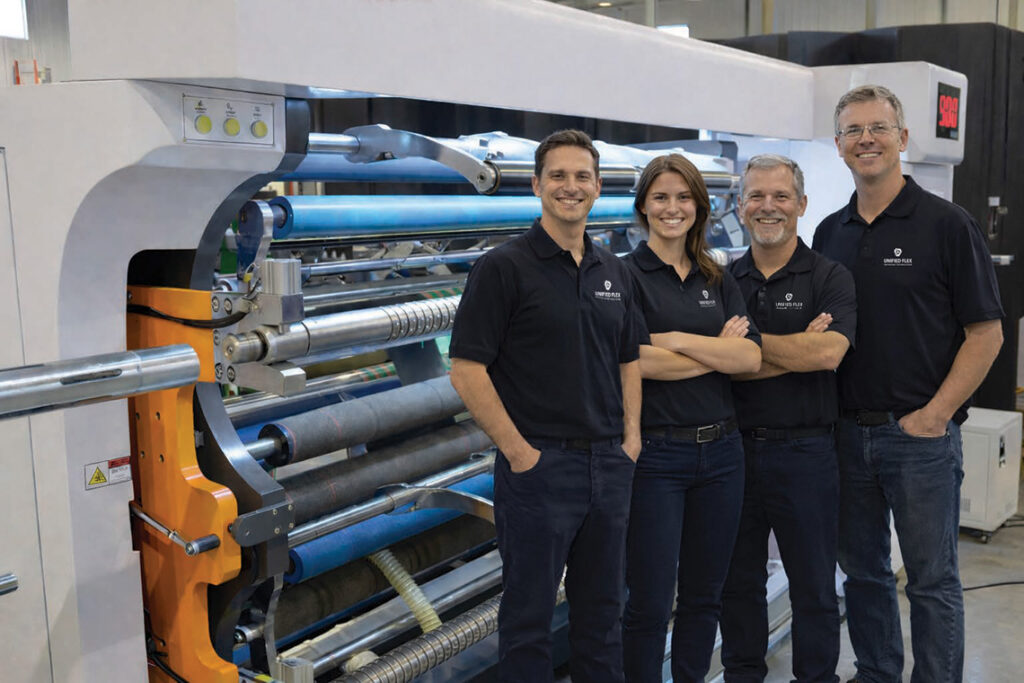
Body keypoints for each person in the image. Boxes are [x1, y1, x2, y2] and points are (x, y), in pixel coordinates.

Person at [813, 85, 1004, 683]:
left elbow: (986, 333)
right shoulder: (829, 232)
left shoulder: (946, 225)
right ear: (839, 145)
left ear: (902, 138)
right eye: (852, 130)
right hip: (845, 434)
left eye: (878, 127)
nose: (865, 139)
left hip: (918, 437)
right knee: (863, 574)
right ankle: (877, 673)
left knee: (931, 578)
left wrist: (935, 415)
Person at [448, 129, 642, 683]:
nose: (570, 186)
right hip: (540, 471)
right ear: (536, 185)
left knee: (604, 616)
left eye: (582, 176)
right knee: (529, 621)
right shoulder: (503, 268)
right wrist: (519, 452)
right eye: (557, 175)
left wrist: (631, 438)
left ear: (598, 187)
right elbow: (466, 369)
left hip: (609, 464)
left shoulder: (614, 270)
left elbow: (629, 358)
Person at [620, 153, 761, 683]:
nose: (672, 208)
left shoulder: (715, 276)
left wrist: (675, 341)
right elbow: (630, 361)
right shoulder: (624, 276)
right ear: (643, 207)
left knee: (705, 596)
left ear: (700, 207)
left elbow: (748, 358)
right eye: (661, 197)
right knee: (651, 602)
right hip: (657, 457)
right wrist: (711, 351)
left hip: (724, 455)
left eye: (684, 198)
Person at [720, 153, 856, 683]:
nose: (768, 206)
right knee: (738, 583)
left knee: (815, 585)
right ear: (740, 205)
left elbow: (828, 356)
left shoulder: (829, 276)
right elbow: (715, 371)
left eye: (780, 196)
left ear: (801, 204)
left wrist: (746, 349)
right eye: (756, 195)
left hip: (807, 453)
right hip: (733, 453)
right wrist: (794, 348)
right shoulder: (724, 279)